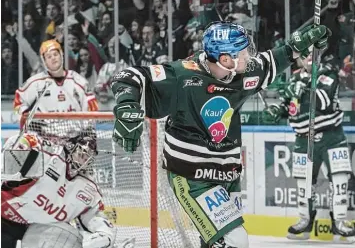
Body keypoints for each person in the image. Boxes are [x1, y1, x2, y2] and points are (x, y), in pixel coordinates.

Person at [109, 21, 331, 247]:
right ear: (226, 59)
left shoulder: (245, 72)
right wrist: (126, 105)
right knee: (235, 240)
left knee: (214, 243)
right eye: (243, 52)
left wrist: (298, 47)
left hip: (228, 175)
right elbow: (127, 76)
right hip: (192, 175)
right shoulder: (182, 75)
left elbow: (276, 58)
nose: (249, 56)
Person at [262, 50, 355, 243]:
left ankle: (339, 222)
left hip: (331, 135)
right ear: (300, 59)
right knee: (304, 182)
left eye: (313, 55)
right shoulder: (294, 79)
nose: (310, 58)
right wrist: (277, 110)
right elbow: (290, 106)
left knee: (339, 179)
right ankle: (305, 221)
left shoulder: (328, 75)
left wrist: (303, 89)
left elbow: (325, 102)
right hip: (304, 139)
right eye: (305, 55)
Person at [1, 133, 115, 248]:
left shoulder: (87, 188)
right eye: (81, 153)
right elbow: (27, 140)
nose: (83, 160)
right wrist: (20, 149)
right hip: (4, 219)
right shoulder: (48, 158)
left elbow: (95, 216)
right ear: (70, 147)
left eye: (87, 158)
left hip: (37, 232)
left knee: (65, 238)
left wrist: (104, 233)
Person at [13, 39, 99, 125]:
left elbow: (92, 105)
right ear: (44, 61)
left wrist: (87, 128)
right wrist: (27, 119)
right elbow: (19, 101)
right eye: (49, 56)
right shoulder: (35, 83)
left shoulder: (78, 81)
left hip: (74, 135)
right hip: (44, 136)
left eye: (55, 54)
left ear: (61, 55)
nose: (53, 58)